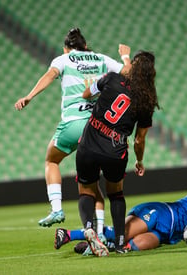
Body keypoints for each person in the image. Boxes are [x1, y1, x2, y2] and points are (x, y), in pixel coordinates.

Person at [14, 28, 132, 230]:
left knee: (51, 160)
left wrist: (29, 96)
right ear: (85, 46)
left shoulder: (63, 59)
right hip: (99, 128)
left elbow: (49, 76)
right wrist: (126, 56)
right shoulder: (100, 58)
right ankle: (100, 231)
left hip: (74, 123)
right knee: (92, 184)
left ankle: (57, 209)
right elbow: (127, 73)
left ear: (66, 48)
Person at [75, 50, 159, 256]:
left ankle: (88, 228)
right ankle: (120, 243)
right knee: (116, 194)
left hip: (90, 142)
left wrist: (92, 83)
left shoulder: (111, 78)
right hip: (116, 149)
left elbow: (86, 95)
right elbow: (139, 139)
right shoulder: (147, 101)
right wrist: (139, 161)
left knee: (86, 189)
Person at [54, 175, 187, 254]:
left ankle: (94, 247)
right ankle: (68, 234)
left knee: (138, 245)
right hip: (158, 213)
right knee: (120, 234)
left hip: (166, 233)